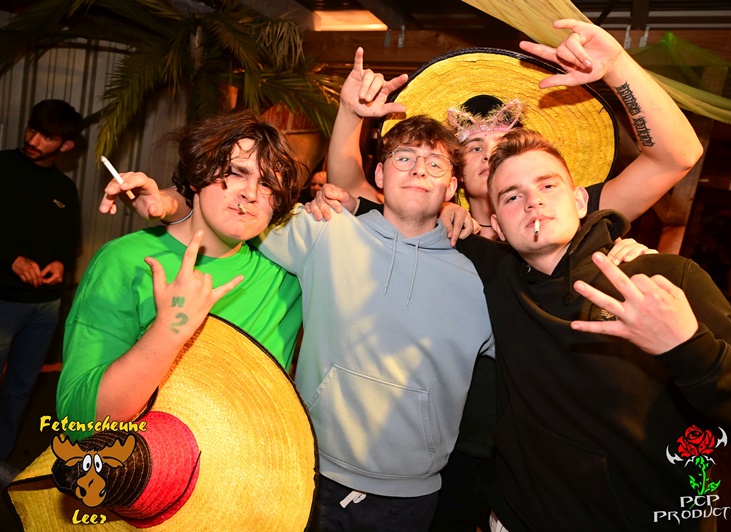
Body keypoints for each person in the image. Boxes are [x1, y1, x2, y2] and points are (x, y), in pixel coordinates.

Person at [322, 18, 703, 531]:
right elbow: (350, 184)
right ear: (456, 170)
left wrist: (617, 69)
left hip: (548, 464)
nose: (490, 154)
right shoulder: (431, 225)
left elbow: (676, 158)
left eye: (503, 143)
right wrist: (351, 115)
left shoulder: (558, 220)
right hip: (448, 455)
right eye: (474, 146)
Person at [102, 114, 495, 531]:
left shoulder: (478, 281)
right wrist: (170, 203)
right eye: (404, 158)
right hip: (310, 472)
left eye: (435, 163)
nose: (418, 170)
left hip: (411, 498)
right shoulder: (325, 228)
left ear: (451, 187)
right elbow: (237, 211)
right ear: (379, 174)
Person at [456, 124, 731, 530]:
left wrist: (688, 347)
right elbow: (405, 210)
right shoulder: (499, 279)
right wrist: (446, 210)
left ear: (579, 201)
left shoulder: (662, 278)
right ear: (497, 225)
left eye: (547, 185)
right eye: (513, 196)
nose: (534, 202)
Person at [56, 110, 304, 440]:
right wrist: (167, 332)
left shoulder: (290, 273)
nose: (251, 193)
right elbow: (80, 421)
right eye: (235, 173)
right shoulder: (126, 261)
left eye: (268, 183)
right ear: (196, 176)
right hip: (140, 464)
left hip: (247, 468)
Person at [0, 100, 83, 466]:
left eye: (46, 136)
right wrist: (11, 259)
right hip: (2, 300)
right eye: (32, 129)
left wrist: (60, 264)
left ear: (66, 145)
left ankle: (1, 457)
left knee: (20, 389)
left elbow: (68, 242)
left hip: (45, 308)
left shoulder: (65, 188)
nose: (32, 140)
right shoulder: (2, 166)